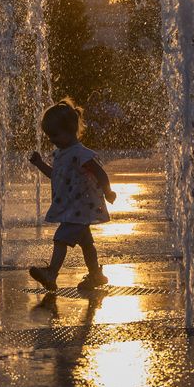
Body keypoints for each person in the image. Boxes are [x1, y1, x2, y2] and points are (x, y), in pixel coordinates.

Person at [28, 99, 117, 293]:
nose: (51, 139)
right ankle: (95, 274)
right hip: (73, 208)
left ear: (70, 130)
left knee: (61, 238)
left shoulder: (80, 153)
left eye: (55, 135)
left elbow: (100, 173)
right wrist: (40, 164)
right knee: (86, 243)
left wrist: (108, 191)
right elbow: (55, 175)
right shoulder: (61, 154)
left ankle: (51, 273)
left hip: (80, 207)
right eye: (49, 135)